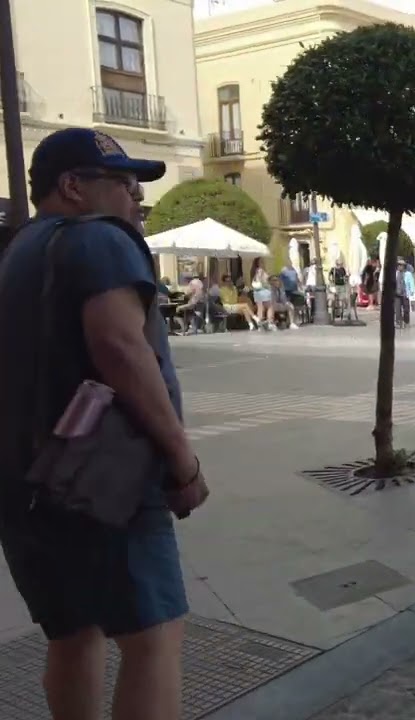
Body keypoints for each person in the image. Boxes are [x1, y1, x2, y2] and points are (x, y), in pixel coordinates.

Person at [0, 127, 208, 720]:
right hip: (103, 484)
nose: (136, 198)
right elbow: (121, 348)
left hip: (24, 485)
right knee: (154, 639)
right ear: (72, 186)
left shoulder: (18, 250)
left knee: (72, 635)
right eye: (121, 183)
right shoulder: (102, 241)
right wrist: (182, 461)